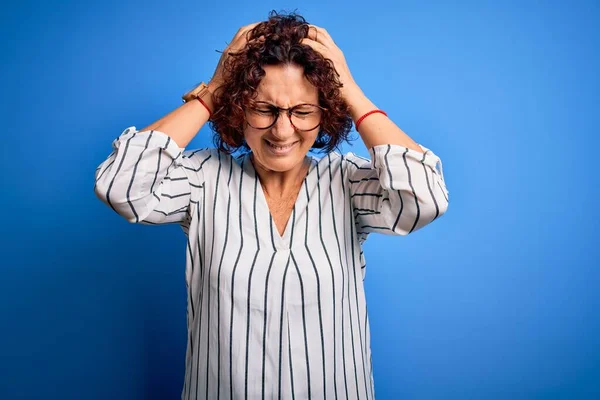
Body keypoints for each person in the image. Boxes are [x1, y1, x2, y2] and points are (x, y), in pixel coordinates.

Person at [94, 11, 449, 400]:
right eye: (264, 109)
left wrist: (349, 90)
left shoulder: (347, 182)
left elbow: (425, 198)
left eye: (302, 111)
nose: (282, 130)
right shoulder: (203, 179)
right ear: (238, 110)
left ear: (325, 115)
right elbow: (120, 186)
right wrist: (215, 88)